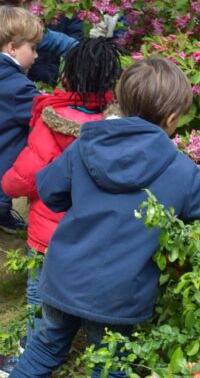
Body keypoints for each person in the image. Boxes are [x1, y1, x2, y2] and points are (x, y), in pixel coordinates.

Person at [10, 58, 200, 378]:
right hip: (118, 296)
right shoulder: (180, 170)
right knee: (110, 368)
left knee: (43, 351)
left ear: (121, 101)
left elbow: (50, 191)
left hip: (63, 278)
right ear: (171, 119)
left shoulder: (86, 143)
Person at [0, 37, 122, 377]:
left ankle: (30, 355)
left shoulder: (51, 121)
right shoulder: (116, 127)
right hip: (96, 237)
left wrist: (7, 185)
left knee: (40, 298)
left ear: (67, 77)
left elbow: (24, 177)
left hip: (47, 238)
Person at [3, 0, 84, 85]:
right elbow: (56, 41)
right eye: (37, 1)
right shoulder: (19, 26)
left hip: (42, 77)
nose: (40, 6)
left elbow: (62, 38)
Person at [0, 6, 43, 234]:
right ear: (13, 48)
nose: (36, 56)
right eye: (33, 48)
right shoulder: (18, 89)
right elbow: (43, 111)